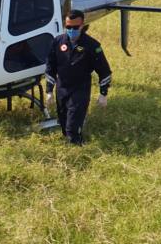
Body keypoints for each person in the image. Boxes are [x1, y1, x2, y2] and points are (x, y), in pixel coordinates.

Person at [44, 10, 112, 144]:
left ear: (82, 26)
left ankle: (77, 149)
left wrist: (103, 94)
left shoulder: (92, 46)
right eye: (68, 27)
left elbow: (105, 71)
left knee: (72, 127)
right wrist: (49, 91)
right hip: (62, 88)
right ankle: (70, 142)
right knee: (64, 124)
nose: (71, 30)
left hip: (80, 89)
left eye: (75, 28)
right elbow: (50, 67)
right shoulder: (58, 42)